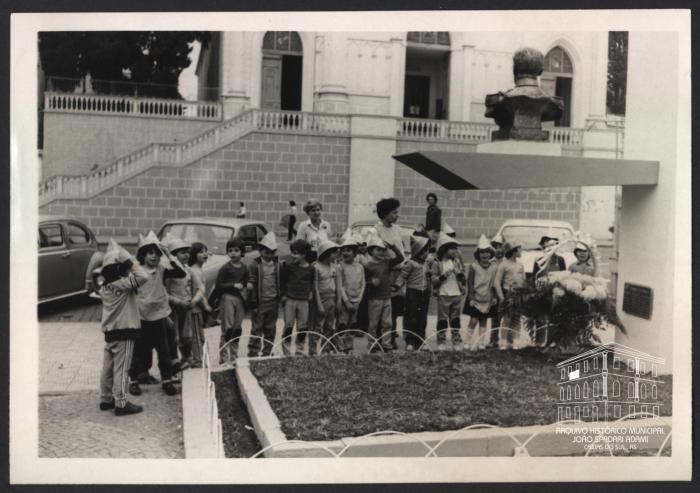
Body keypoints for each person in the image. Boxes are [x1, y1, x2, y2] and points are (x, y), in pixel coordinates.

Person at [128, 231, 187, 397]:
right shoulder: (137, 272)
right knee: (138, 351)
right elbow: (129, 291)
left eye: (156, 253)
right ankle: (134, 380)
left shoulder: (162, 269)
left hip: (159, 316)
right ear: (143, 255)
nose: (154, 257)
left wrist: (169, 254)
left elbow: (181, 273)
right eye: (150, 253)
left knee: (164, 350)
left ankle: (167, 380)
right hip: (141, 317)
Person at [98, 239, 149, 416]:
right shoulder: (124, 284)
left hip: (110, 332)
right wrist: (130, 260)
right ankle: (121, 403)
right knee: (122, 369)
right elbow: (144, 276)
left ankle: (106, 399)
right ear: (121, 269)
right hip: (124, 331)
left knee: (108, 368)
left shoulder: (105, 287)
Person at [374, 197, 407, 350]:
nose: (396, 215)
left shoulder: (397, 229)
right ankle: (380, 338)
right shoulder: (376, 230)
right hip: (386, 271)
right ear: (385, 214)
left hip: (399, 271)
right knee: (384, 306)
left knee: (396, 306)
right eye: (394, 213)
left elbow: (403, 249)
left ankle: (391, 336)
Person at [163, 236, 199, 368]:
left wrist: (193, 300)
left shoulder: (188, 270)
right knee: (174, 335)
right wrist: (177, 301)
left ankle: (186, 358)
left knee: (187, 334)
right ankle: (175, 361)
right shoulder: (170, 272)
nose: (186, 255)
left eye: (187, 252)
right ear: (173, 255)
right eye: (182, 252)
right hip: (173, 307)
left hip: (186, 306)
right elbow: (164, 293)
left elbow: (196, 287)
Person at [364, 236, 404, 351]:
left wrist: (392, 247)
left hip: (387, 297)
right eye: (378, 250)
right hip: (374, 298)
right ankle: (372, 344)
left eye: (383, 250)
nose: (381, 252)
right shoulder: (368, 266)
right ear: (371, 251)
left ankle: (386, 344)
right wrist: (371, 282)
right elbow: (363, 282)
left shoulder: (386, 262)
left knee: (387, 323)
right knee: (373, 323)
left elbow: (400, 258)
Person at [213, 238, 249, 363]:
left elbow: (246, 283)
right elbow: (218, 285)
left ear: (242, 252)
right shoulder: (225, 268)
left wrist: (246, 286)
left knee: (237, 329)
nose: (233, 253)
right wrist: (233, 285)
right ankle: (223, 358)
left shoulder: (244, 268)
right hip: (227, 298)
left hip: (240, 300)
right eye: (230, 251)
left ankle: (234, 357)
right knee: (227, 329)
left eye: (236, 250)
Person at [392, 235, 431, 351]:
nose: (426, 254)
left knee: (422, 318)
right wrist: (396, 286)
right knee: (411, 316)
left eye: (427, 251)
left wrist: (431, 288)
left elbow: (428, 277)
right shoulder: (411, 263)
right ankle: (410, 340)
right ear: (418, 252)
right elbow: (403, 276)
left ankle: (420, 340)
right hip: (413, 292)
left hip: (424, 293)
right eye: (423, 251)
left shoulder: (426, 264)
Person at [430, 232, 466, 351]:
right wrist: (443, 276)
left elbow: (462, 276)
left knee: (455, 319)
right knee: (442, 319)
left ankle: (455, 341)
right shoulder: (437, 263)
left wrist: (459, 274)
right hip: (444, 294)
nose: (455, 251)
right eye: (452, 248)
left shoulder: (456, 262)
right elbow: (434, 280)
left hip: (456, 293)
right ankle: (441, 341)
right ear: (444, 249)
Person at [248, 232, 281, 357]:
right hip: (260, 301)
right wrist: (253, 301)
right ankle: (253, 351)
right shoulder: (255, 264)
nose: (269, 255)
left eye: (272, 253)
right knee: (256, 328)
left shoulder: (277, 264)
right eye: (266, 252)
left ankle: (268, 350)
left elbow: (280, 280)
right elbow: (252, 281)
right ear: (260, 251)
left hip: (273, 301)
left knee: (270, 328)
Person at [463, 235, 499, 351]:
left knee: (483, 320)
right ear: (478, 254)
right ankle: (467, 341)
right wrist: (471, 297)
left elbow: (494, 283)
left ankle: (481, 342)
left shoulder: (493, 267)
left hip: (487, 297)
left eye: (487, 252)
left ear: (491, 254)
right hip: (476, 297)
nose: (485, 255)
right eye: (482, 252)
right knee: (473, 320)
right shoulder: (474, 266)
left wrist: (494, 296)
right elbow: (470, 283)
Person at [280, 239, 314, 352]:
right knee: (288, 326)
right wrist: (284, 295)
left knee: (302, 327)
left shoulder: (310, 268)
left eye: (296, 253)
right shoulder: (289, 267)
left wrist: (310, 293)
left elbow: (312, 282)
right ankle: (286, 349)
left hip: (303, 301)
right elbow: (283, 282)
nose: (293, 255)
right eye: (292, 252)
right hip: (290, 300)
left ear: (304, 254)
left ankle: (299, 349)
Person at [494, 241, 526, 350]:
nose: (521, 251)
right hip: (507, 293)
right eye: (519, 249)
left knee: (517, 318)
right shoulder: (504, 264)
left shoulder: (520, 265)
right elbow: (497, 282)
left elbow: (523, 280)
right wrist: (501, 297)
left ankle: (515, 342)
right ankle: (503, 342)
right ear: (513, 251)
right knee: (507, 319)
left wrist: (523, 292)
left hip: (518, 295)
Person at [337, 235, 365, 353]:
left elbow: (363, 284)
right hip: (345, 301)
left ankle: (349, 347)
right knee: (342, 324)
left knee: (352, 324)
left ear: (354, 252)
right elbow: (340, 285)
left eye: (348, 250)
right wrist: (346, 301)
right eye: (343, 250)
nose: (345, 253)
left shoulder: (360, 267)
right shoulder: (340, 267)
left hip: (356, 301)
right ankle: (341, 347)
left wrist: (358, 300)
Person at [312, 240, 340, 355]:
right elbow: (315, 287)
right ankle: (313, 350)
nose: (336, 255)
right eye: (334, 253)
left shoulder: (335, 267)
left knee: (329, 325)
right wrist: (319, 304)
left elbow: (338, 285)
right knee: (318, 325)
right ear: (326, 253)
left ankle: (326, 349)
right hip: (321, 299)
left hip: (332, 298)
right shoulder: (316, 267)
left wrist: (338, 301)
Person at [187, 242, 212, 368]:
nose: (205, 254)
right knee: (196, 335)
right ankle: (197, 360)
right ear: (194, 255)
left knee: (199, 334)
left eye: (206, 251)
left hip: (197, 309)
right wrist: (205, 305)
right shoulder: (194, 270)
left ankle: (198, 358)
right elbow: (199, 291)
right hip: (195, 309)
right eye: (201, 252)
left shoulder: (199, 270)